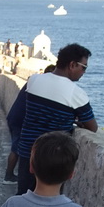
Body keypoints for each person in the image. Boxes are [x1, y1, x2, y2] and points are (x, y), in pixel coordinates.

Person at [16, 43, 98, 195]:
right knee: (49, 200)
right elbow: (92, 127)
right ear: (72, 65)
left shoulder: (34, 80)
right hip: (54, 158)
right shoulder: (76, 94)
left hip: (28, 151)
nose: (84, 72)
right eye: (84, 67)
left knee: (23, 194)